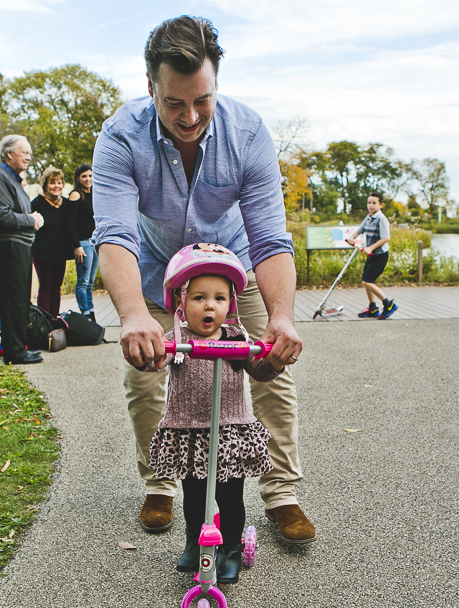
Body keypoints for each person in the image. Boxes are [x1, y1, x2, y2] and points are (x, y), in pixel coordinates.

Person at [92, 16, 315, 544]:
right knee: (146, 379)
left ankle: (282, 494)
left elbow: (270, 238)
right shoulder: (120, 137)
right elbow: (115, 234)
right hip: (157, 271)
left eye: (202, 100)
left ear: (216, 82)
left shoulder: (249, 133)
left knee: (270, 372)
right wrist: (134, 316)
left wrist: (282, 316)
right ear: (151, 87)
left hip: (235, 270)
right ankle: (160, 483)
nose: (190, 116)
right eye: (174, 103)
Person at [136, 244, 283, 583]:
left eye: (219, 298)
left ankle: (230, 547)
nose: (209, 305)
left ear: (229, 305)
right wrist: (148, 355)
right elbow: (155, 364)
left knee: (230, 497)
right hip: (189, 432)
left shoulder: (237, 338)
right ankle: (193, 541)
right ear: (182, 303)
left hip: (230, 432)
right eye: (199, 297)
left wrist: (272, 360)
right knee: (195, 496)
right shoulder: (176, 339)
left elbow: (259, 372)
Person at [0, 134, 45, 365]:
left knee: (20, 300)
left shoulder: (12, 179)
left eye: (29, 152)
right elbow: (1, 215)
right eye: (24, 152)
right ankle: (15, 353)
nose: (29, 156)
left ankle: (19, 348)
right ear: (9, 154)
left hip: (19, 245)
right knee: (11, 300)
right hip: (7, 247)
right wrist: (30, 220)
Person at [32, 166, 81, 316]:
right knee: (46, 286)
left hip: (60, 252)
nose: (57, 186)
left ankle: (53, 320)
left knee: (56, 287)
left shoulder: (65, 204)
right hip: (42, 252)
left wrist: (77, 246)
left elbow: (71, 225)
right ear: (45, 185)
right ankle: (43, 321)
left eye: (59, 183)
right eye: (52, 183)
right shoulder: (36, 203)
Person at [346, 192, 398, 319]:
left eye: (374, 203)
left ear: (381, 205)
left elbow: (386, 238)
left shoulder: (381, 219)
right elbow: (359, 230)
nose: (371, 205)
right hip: (371, 255)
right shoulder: (368, 218)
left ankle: (389, 304)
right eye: (369, 202)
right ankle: (373, 308)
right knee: (366, 282)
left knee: (367, 282)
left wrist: (370, 248)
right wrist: (352, 238)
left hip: (380, 255)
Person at [69, 163, 99, 322]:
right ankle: (85, 314)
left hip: (95, 242)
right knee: (83, 282)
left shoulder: (95, 193)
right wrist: (77, 246)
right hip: (83, 244)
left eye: (90, 175)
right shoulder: (76, 195)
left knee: (90, 283)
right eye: (84, 176)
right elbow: (70, 223)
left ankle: (91, 314)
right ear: (78, 178)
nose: (88, 179)